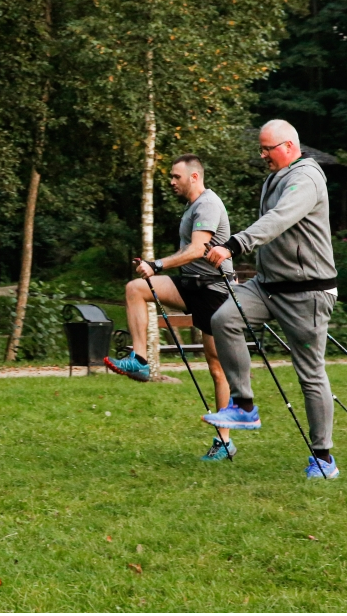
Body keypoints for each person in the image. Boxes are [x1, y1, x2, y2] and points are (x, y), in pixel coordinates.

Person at [203, 119, 340, 479]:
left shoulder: (305, 178)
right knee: (224, 320)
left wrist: (234, 243)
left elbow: (280, 219)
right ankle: (244, 404)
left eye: (268, 148)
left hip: (306, 292)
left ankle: (323, 458)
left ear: (290, 146)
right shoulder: (276, 176)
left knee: (310, 374)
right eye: (260, 149)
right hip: (268, 285)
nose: (262, 155)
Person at [104, 154, 239, 462]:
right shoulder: (192, 207)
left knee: (217, 369)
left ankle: (224, 440)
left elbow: (195, 249)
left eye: (176, 176)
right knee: (135, 289)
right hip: (191, 285)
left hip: (216, 292)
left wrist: (157, 264)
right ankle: (139, 360)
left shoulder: (207, 204)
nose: (171, 182)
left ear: (194, 177)